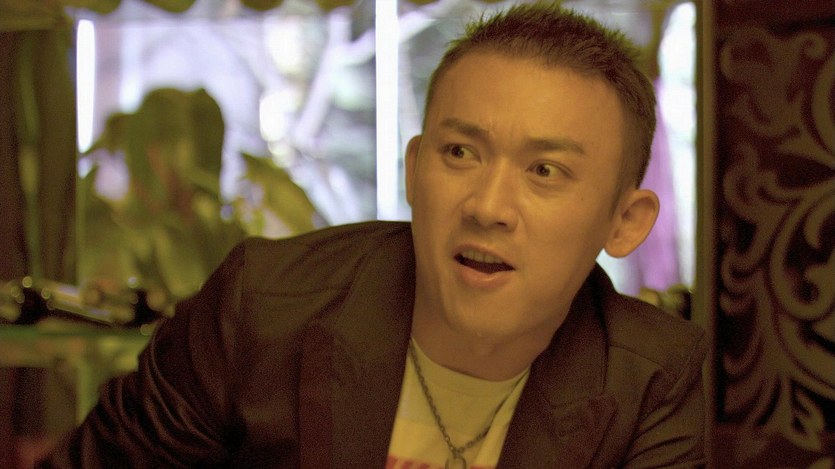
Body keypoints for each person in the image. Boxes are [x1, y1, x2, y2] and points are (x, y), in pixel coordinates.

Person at [41, 3, 706, 468]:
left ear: (625, 223)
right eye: (460, 153)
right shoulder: (262, 309)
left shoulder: (651, 377)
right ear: (414, 170)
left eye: (544, 171)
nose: (488, 206)